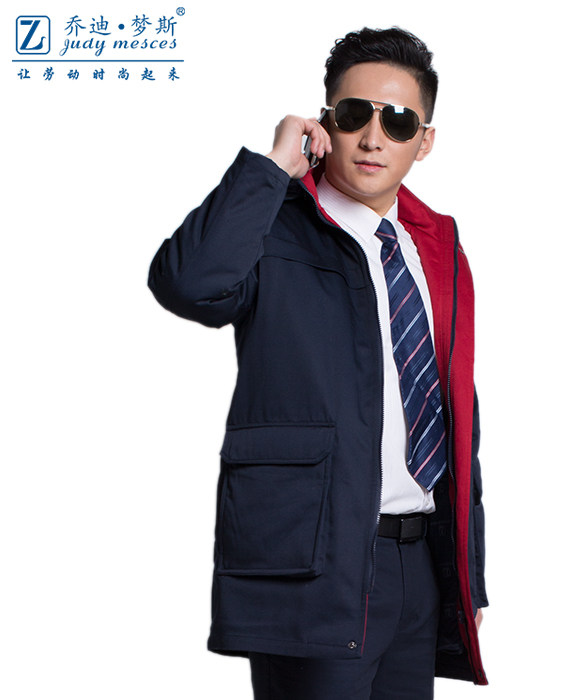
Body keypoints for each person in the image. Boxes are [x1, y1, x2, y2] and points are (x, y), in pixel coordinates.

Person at [148, 26, 488, 699]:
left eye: (398, 121)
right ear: (326, 121)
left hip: (420, 567)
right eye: (354, 114)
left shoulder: (435, 246)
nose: (372, 138)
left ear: (424, 141)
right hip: (313, 564)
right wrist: (273, 168)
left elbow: (456, 415)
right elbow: (187, 283)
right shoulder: (271, 227)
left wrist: (465, 575)